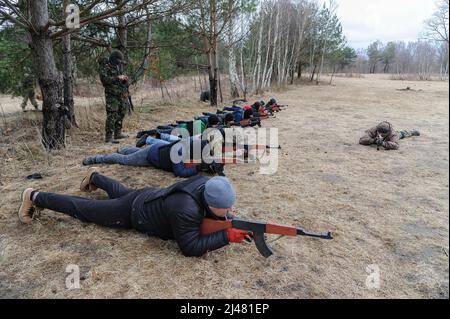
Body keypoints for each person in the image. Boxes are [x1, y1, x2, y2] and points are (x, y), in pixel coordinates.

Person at [17, 171, 252, 257]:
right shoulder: (185, 208)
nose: (230, 213)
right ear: (210, 202)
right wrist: (226, 237)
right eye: (226, 210)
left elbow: (216, 215)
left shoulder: (207, 184)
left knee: (120, 191)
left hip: (148, 195)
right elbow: (189, 248)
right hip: (133, 213)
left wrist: (228, 222)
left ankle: (95, 177)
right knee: (84, 209)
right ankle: (35, 196)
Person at [82, 136, 225, 177]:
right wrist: (200, 167)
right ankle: (96, 158)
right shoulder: (180, 152)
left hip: (158, 150)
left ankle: (123, 149)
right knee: (125, 160)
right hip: (151, 156)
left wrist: (212, 165)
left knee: (132, 153)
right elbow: (179, 172)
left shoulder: (196, 145)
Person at [98, 50, 130, 143]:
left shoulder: (118, 65)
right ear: (113, 59)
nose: (118, 63)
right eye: (117, 61)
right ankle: (109, 136)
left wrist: (124, 79)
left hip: (120, 93)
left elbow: (119, 78)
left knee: (121, 111)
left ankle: (118, 133)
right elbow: (104, 80)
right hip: (111, 94)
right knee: (112, 114)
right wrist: (117, 78)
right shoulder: (105, 65)